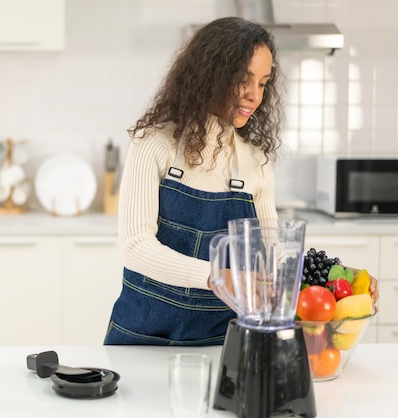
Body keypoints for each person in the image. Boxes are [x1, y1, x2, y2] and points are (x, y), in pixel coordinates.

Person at [104, 16, 379, 346]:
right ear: (209, 75)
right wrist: (219, 277)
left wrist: (341, 279)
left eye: (263, 83)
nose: (253, 95)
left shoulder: (255, 162)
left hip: (222, 343)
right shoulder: (154, 143)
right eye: (243, 79)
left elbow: (276, 259)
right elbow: (136, 248)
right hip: (142, 339)